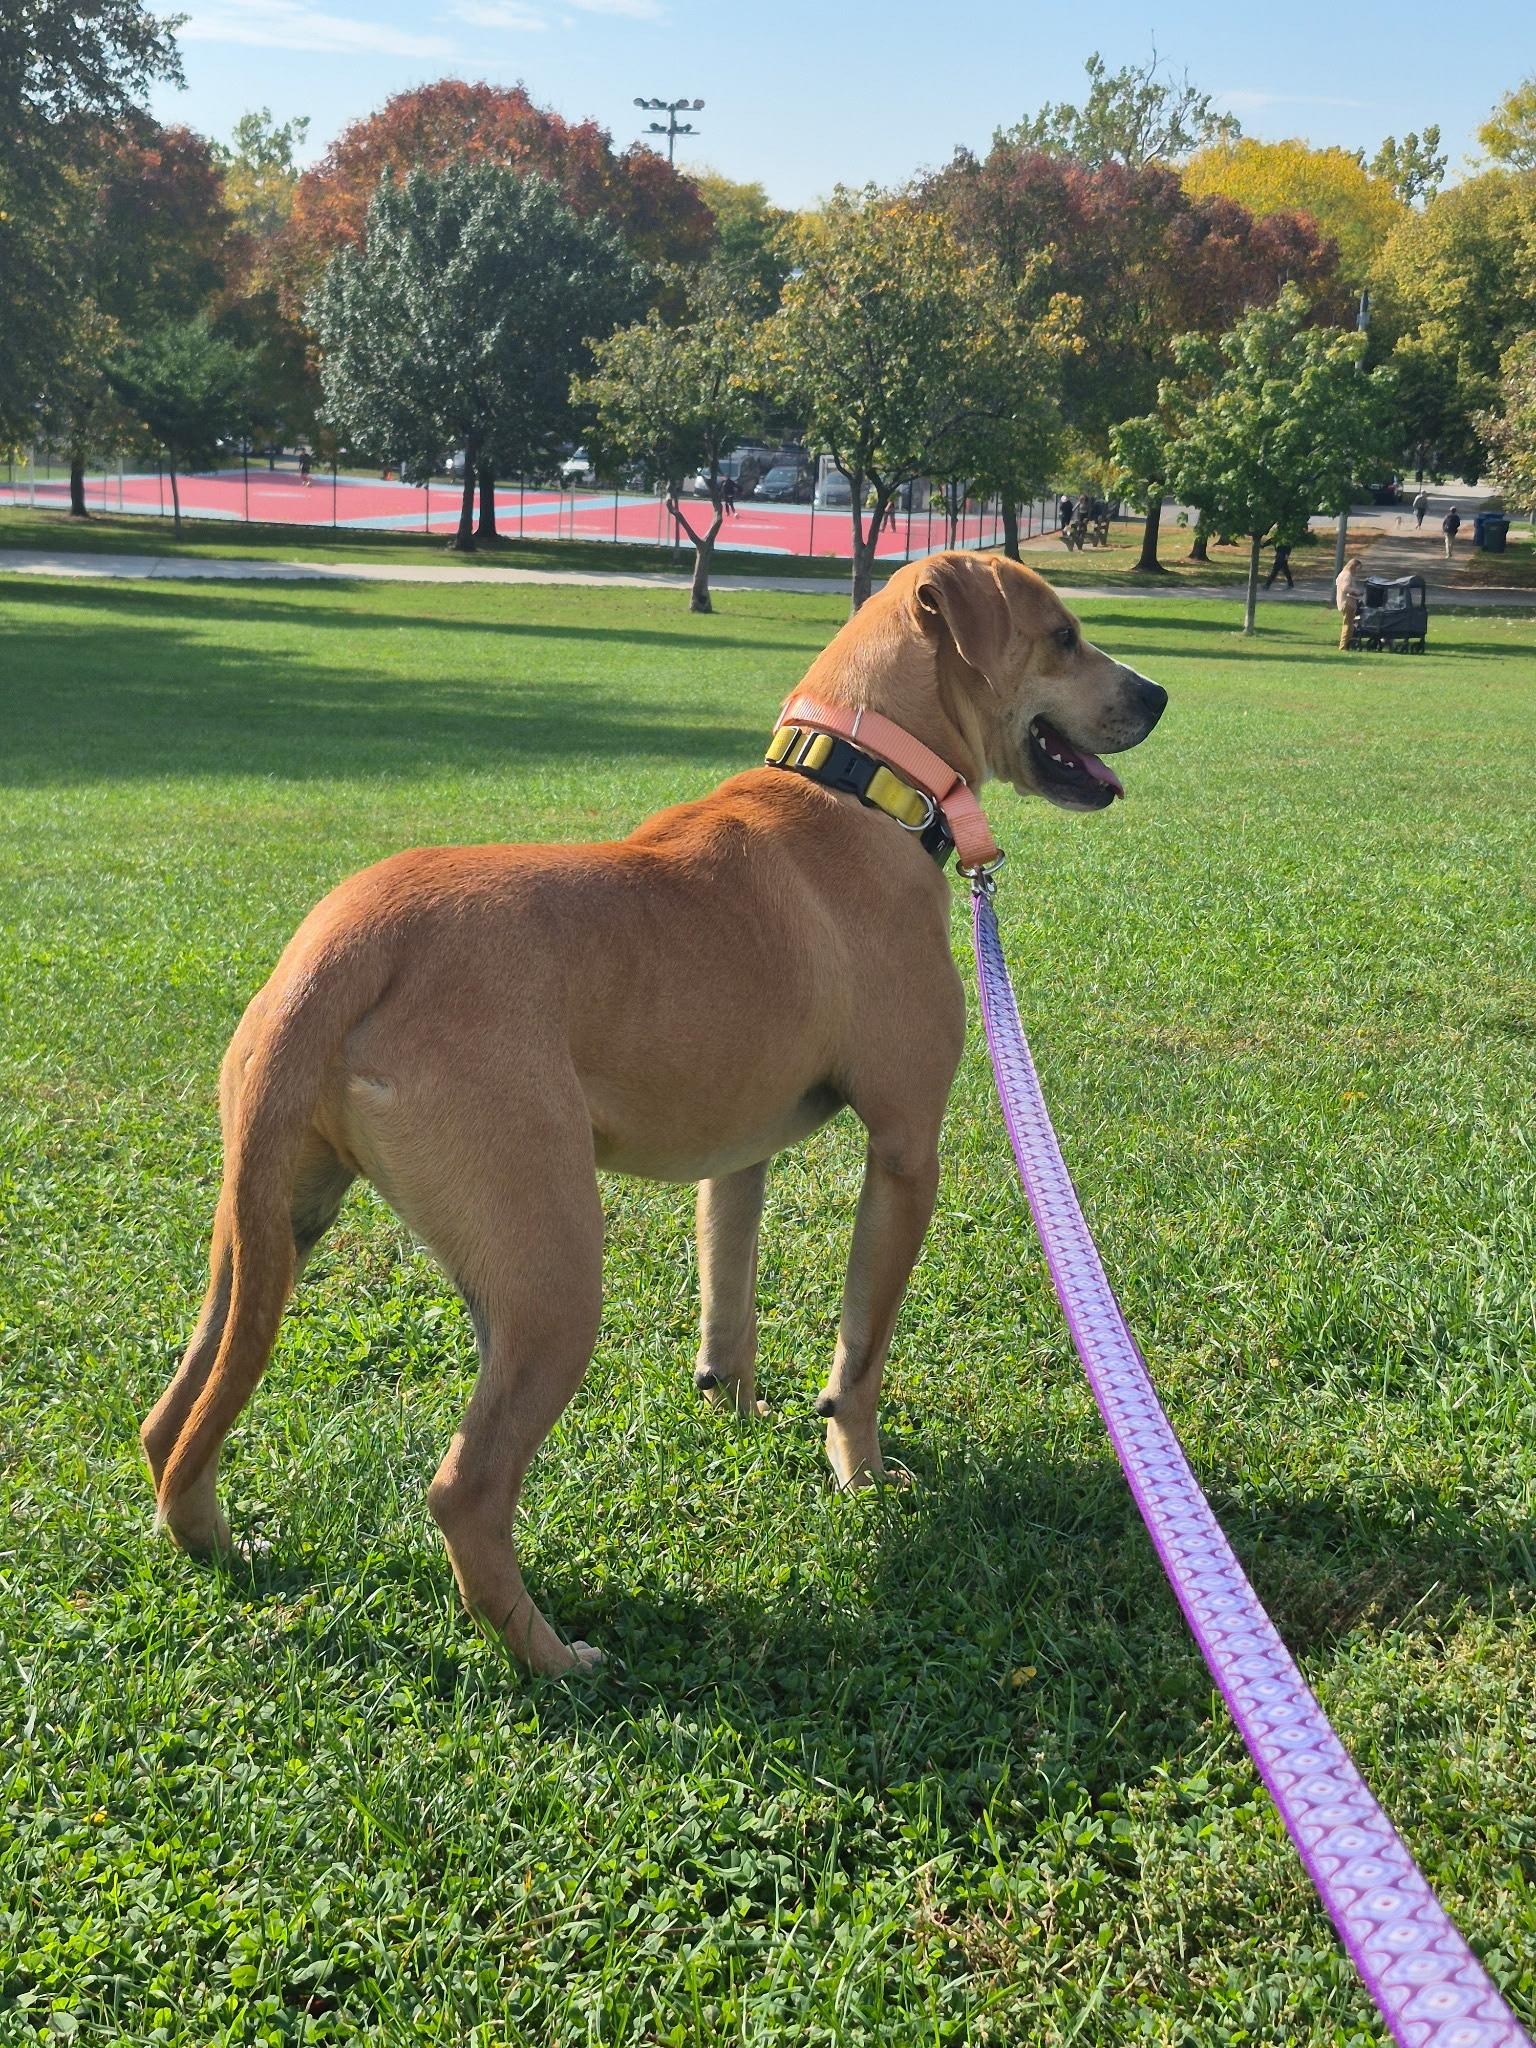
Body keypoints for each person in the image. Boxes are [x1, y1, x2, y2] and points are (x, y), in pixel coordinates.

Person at [1335, 555, 1364, 651]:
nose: (1357, 571)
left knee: (1350, 625)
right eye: (1357, 568)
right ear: (1353, 566)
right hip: (1347, 602)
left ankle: (1347, 644)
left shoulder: (1342, 574)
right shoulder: (1347, 575)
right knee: (1348, 625)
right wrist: (1356, 592)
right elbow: (1345, 588)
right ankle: (1343, 646)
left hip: (1345, 602)